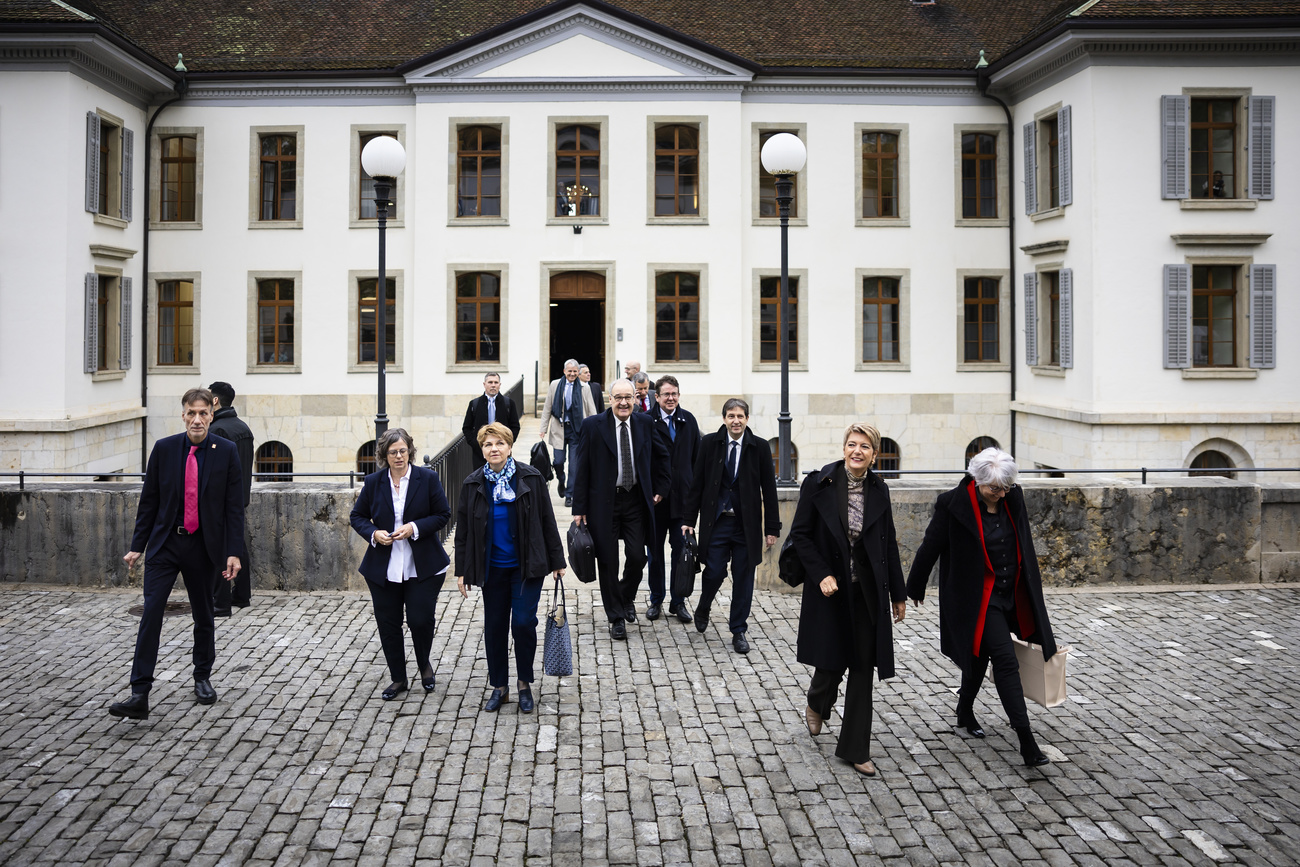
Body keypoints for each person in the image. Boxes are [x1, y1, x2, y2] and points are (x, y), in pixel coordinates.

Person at [906, 447, 1057, 767]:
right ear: (976, 480)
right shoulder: (953, 504)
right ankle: (1027, 741)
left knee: (980, 655)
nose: (1001, 494)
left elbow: (1024, 543)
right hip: (976, 599)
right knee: (1005, 660)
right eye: (994, 488)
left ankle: (964, 709)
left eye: (1006, 487)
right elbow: (931, 544)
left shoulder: (1013, 498)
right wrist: (914, 585)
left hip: (1011, 594)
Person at [109, 388, 245, 720]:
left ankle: (202, 677)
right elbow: (149, 501)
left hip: (203, 546)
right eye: (191, 413)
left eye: (203, 413)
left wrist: (233, 552)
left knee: (203, 614)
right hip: (166, 544)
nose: (197, 419)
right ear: (183, 415)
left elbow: (233, 508)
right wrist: (137, 546)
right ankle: (139, 692)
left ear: (212, 415)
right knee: (151, 612)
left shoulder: (225, 451)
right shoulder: (165, 449)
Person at [789, 424, 907, 777]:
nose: (857, 451)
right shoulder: (819, 483)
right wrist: (822, 573)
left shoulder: (879, 490)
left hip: (867, 592)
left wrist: (898, 594)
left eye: (865, 447)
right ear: (844, 449)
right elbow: (801, 535)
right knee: (830, 661)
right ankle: (817, 701)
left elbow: (888, 544)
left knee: (862, 669)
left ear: (874, 455)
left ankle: (856, 748)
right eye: (852, 445)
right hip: (830, 590)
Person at [454, 423, 567, 713]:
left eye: (499, 444)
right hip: (492, 569)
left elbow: (546, 519)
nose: (494, 449)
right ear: (482, 450)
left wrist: (557, 561)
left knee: (523, 624)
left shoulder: (530, 477)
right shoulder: (473, 483)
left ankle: (524, 684)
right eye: (488, 445)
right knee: (494, 627)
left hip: (526, 566)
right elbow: (464, 529)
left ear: (509, 446)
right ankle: (500, 686)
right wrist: (461, 569)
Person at [349, 428, 452, 701]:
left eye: (403, 450)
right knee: (388, 623)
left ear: (410, 451)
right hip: (383, 566)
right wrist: (373, 533)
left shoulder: (427, 478)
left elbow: (443, 514)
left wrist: (414, 527)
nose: (398, 456)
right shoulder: (373, 482)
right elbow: (357, 516)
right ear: (384, 455)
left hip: (423, 564)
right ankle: (398, 677)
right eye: (393, 452)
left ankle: (424, 664)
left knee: (420, 620)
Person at [571, 379, 670, 640]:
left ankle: (625, 597)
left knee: (638, 556)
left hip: (636, 500)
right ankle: (615, 616)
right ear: (610, 399)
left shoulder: (645, 423)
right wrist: (579, 507)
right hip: (603, 504)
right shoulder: (593, 426)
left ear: (636, 399)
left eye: (628, 397)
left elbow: (662, 456)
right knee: (608, 561)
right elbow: (581, 468)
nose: (624, 402)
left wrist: (661, 486)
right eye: (618, 398)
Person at [681, 398, 780, 654]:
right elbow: (697, 484)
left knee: (744, 578)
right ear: (724, 418)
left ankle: (738, 630)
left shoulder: (758, 447)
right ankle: (704, 606)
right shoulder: (709, 443)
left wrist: (772, 528)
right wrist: (689, 521)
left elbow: (769, 489)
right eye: (731, 416)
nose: (736, 420)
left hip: (746, 526)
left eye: (741, 416)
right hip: (717, 522)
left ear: (747, 419)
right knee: (713, 570)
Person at [645, 375, 701, 623]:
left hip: (683, 502)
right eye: (666, 394)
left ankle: (678, 602)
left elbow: (697, 461)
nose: (671, 398)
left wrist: (695, 495)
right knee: (654, 554)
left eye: (674, 393)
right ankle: (656, 600)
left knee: (682, 554)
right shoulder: (646, 421)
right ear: (656, 397)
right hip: (656, 502)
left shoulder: (688, 420)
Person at [208, 381, 254, 616]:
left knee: (219, 551)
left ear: (215, 401)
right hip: (239, 497)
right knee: (238, 546)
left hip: (219, 501)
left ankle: (220, 603)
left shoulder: (217, 430)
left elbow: (213, 472)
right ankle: (242, 595)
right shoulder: (242, 427)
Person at [539, 358, 597, 507]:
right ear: (564, 371)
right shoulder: (555, 385)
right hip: (559, 429)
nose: (572, 374)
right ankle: (560, 480)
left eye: (574, 371)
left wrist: (595, 429)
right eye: (569, 371)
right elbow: (547, 407)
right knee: (558, 461)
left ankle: (570, 494)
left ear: (578, 372)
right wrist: (543, 429)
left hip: (577, 430)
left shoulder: (585, 387)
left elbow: (591, 410)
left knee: (574, 465)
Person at [462, 372, 521, 469]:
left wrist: (507, 443)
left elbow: (515, 426)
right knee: (482, 480)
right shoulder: (474, 404)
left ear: (499, 385)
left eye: (496, 382)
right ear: (484, 384)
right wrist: (476, 444)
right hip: (480, 453)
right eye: (490, 382)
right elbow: (466, 427)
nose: (493, 385)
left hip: (502, 453)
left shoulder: (509, 403)